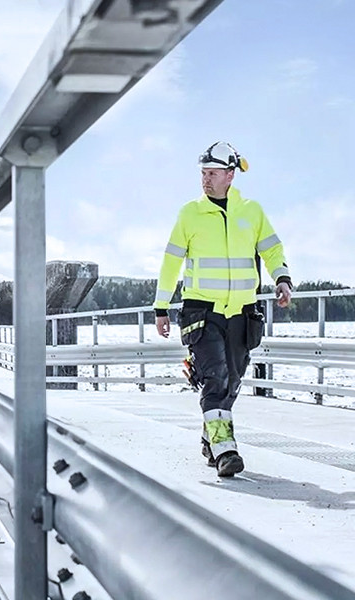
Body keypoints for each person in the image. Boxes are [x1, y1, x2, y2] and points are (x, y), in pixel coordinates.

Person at [153, 141, 292, 477]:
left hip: (243, 313)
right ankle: (226, 450)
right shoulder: (190, 213)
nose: (205, 180)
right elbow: (171, 262)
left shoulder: (252, 212)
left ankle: (210, 436)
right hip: (202, 311)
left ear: (230, 175)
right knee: (215, 377)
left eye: (212, 173)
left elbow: (272, 250)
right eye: (203, 173)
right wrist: (161, 307)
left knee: (232, 380)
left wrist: (282, 277)